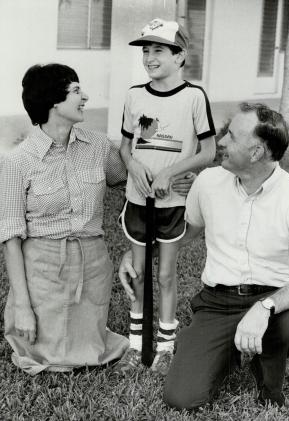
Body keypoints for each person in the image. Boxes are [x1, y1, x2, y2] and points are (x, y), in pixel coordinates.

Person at [119, 103, 289, 408]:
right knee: (182, 398)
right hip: (218, 303)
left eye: (231, 136)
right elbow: (185, 232)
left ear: (256, 153)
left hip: (272, 300)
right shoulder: (208, 182)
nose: (221, 143)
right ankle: (228, 350)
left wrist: (264, 307)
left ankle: (264, 352)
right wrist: (138, 254)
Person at [0, 63, 194, 375]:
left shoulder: (98, 147)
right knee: (42, 353)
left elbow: (133, 183)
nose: (86, 96)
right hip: (43, 270)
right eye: (76, 90)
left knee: (89, 349)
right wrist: (22, 306)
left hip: (92, 267)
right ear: (52, 101)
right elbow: (10, 239)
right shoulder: (16, 161)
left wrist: (174, 179)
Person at [116, 18, 216, 376]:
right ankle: (135, 346)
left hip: (172, 202)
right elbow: (126, 147)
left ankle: (165, 347)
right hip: (138, 199)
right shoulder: (133, 95)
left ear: (180, 56)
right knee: (140, 273)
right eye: (145, 50)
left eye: (158, 49)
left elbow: (208, 151)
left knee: (166, 276)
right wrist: (133, 166)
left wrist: (169, 173)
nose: (149, 57)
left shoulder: (194, 96)